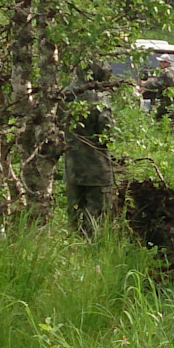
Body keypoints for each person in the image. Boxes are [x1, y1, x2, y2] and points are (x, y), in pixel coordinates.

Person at [64, 65, 116, 235]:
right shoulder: (99, 99)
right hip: (96, 167)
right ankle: (90, 250)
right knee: (96, 216)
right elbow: (107, 133)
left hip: (72, 165)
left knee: (74, 213)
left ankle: (72, 247)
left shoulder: (66, 94)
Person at [143, 55, 174, 124]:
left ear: (166, 63)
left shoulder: (165, 72)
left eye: (161, 62)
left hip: (165, 101)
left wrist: (145, 84)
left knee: (158, 118)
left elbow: (157, 83)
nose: (159, 64)